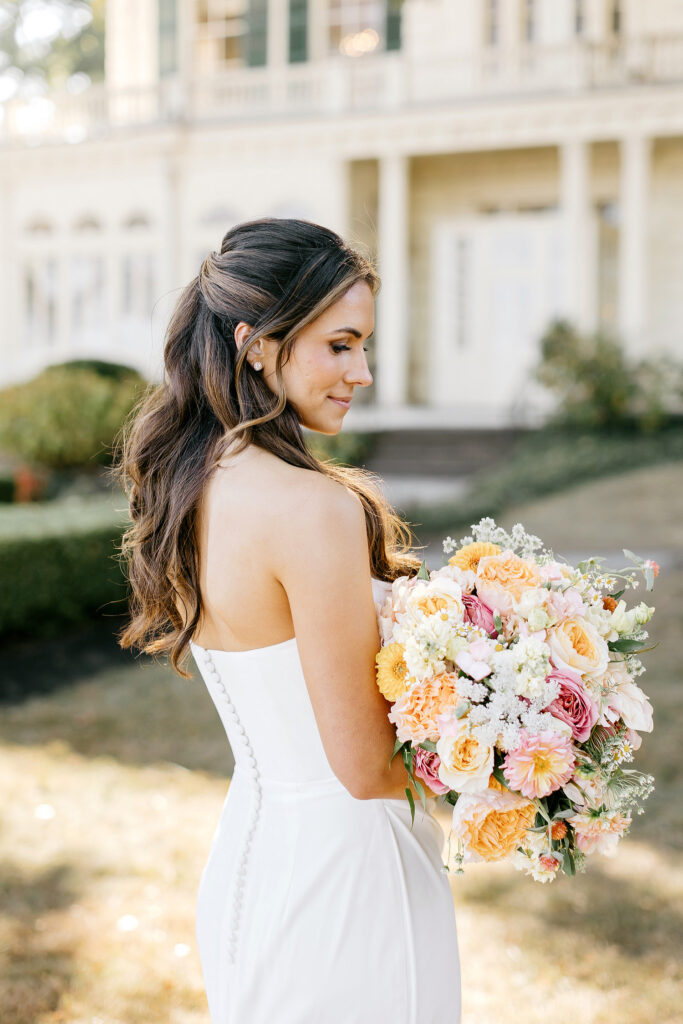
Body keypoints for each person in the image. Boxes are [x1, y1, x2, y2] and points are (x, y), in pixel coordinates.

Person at [111, 217, 461, 1023]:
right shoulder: (311, 509)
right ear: (258, 343)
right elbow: (365, 766)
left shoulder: (193, 485)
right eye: (339, 344)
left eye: (363, 346)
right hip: (351, 881)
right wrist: (522, 760)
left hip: (253, 860)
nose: (362, 371)